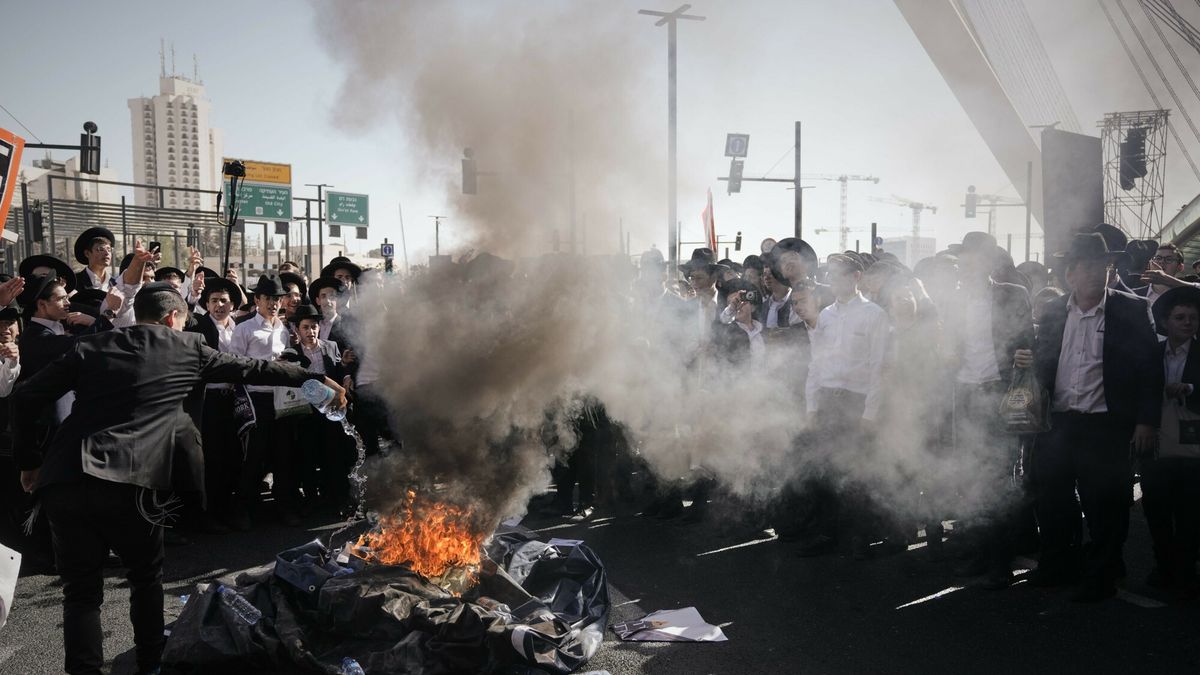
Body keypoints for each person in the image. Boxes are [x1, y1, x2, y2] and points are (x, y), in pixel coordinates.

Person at [12, 281, 346, 675]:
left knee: (81, 593)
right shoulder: (186, 347)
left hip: (64, 478)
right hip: (132, 479)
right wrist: (316, 378)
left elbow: (26, 396)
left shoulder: (92, 345)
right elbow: (255, 368)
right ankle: (151, 663)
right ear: (173, 318)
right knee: (145, 579)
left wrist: (30, 461)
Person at [1016, 232, 1162, 602]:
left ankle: (1103, 575)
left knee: (1105, 505)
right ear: (1070, 275)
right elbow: (1044, 360)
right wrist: (1026, 361)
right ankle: (1057, 566)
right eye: (1088, 267)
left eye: (1103, 266)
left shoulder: (1130, 308)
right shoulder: (1052, 311)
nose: (1098, 273)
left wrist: (1146, 422)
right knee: (1053, 500)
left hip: (1106, 426)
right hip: (1058, 423)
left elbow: (1149, 369)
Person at [944, 232, 1034, 587]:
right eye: (964, 257)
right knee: (970, 477)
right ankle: (980, 553)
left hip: (999, 391)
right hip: (966, 393)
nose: (967, 263)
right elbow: (948, 348)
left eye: (973, 257)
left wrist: (1019, 388)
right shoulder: (953, 300)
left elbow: (1028, 347)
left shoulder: (1012, 293)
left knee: (999, 477)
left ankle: (1001, 561)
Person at [799, 253, 890, 557]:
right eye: (832, 275)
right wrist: (811, 406)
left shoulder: (874, 314)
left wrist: (871, 412)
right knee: (826, 469)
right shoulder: (825, 315)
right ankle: (830, 534)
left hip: (856, 401)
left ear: (856, 278)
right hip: (828, 398)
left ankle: (858, 538)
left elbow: (880, 367)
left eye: (841, 275)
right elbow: (817, 362)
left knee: (856, 473)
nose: (835, 281)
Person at [229, 274, 300, 526]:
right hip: (255, 399)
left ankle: (285, 507)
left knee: (284, 455)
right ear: (256, 299)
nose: (273, 303)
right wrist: (269, 367)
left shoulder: (285, 330)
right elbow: (234, 366)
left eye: (277, 299)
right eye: (268, 298)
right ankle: (243, 509)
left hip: (283, 399)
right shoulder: (244, 328)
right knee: (253, 457)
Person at [1143, 286, 1200, 598]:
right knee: (1157, 508)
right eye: (1180, 317)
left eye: (1193, 317)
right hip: (1154, 439)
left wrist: (1189, 388)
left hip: (1193, 443)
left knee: (1191, 511)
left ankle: (1186, 568)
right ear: (1166, 322)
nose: (1188, 322)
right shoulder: (1151, 352)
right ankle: (1164, 565)